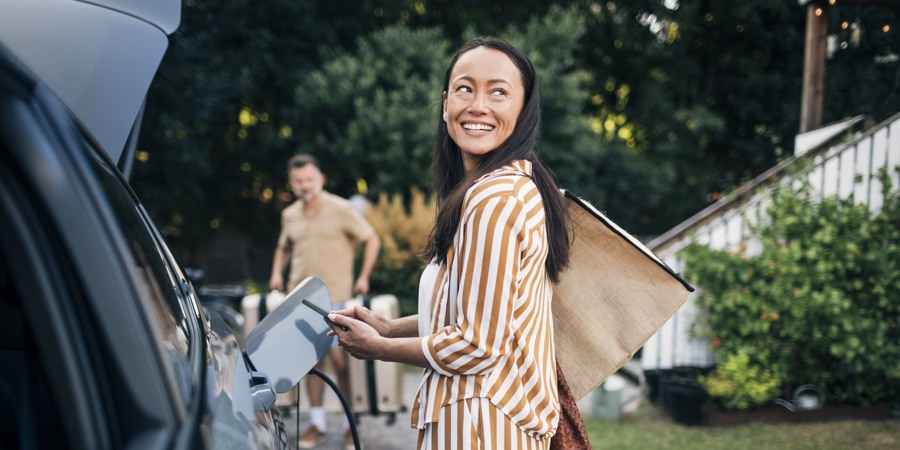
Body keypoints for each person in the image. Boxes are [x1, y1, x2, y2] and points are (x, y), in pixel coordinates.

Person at [327, 37, 571, 449]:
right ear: (445, 104)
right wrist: (389, 326)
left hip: (479, 423)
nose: (478, 105)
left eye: (499, 92)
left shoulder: (494, 199)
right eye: (464, 88)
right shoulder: (515, 186)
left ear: (523, 109)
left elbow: (478, 345)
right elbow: (485, 316)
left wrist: (381, 348)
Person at [269, 153, 381, 449]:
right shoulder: (289, 214)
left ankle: (348, 425)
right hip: (301, 301)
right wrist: (276, 274)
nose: (304, 185)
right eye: (298, 181)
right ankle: (317, 423)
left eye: (309, 179)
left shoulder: (341, 209)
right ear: (292, 183)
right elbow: (283, 248)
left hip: (337, 298)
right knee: (310, 363)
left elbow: (372, 239)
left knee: (341, 362)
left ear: (320, 179)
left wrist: (364, 276)